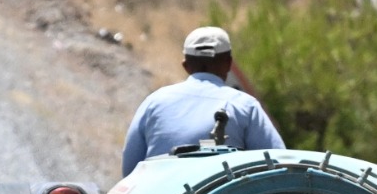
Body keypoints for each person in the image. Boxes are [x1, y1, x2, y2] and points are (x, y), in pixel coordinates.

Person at [120, 25, 285, 174]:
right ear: (228, 63)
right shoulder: (245, 106)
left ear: (185, 65)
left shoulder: (154, 102)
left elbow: (130, 170)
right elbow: (278, 164)